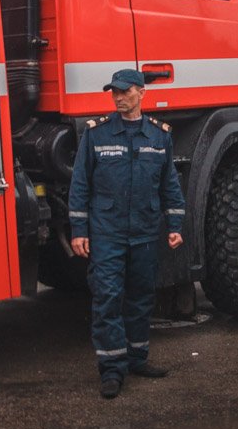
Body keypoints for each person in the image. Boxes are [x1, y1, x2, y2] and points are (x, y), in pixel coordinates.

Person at [68, 68, 186, 400]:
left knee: (141, 298)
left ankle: (136, 359)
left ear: (141, 93)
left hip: (145, 233)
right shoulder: (96, 134)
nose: (119, 98)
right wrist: (79, 230)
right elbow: (80, 185)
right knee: (107, 298)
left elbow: (169, 185)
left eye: (125, 92)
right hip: (107, 233)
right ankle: (112, 370)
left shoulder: (159, 136)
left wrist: (175, 226)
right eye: (114, 93)